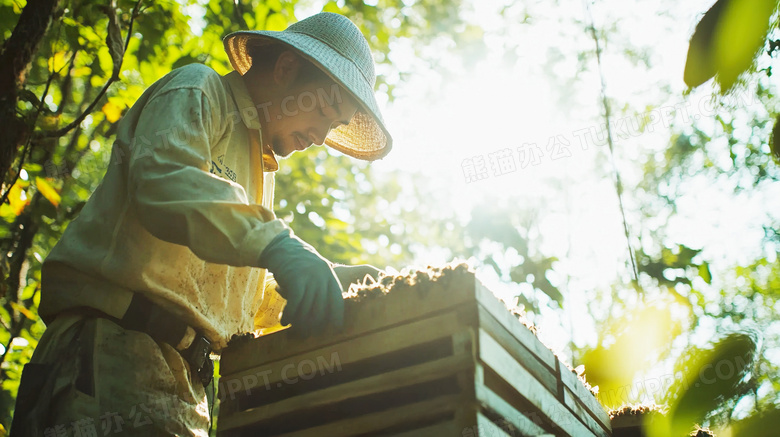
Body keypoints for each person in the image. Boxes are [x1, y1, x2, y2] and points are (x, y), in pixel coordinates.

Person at [11, 12, 392, 436]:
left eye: (333, 126)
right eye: (323, 111)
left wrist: (325, 282)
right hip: (108, 352)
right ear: (286, 69)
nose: (321, 137)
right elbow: (165, 179)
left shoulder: (257, 165)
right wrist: (282, 247)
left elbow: (227, 286)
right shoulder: (198, 89)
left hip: (184, 383)